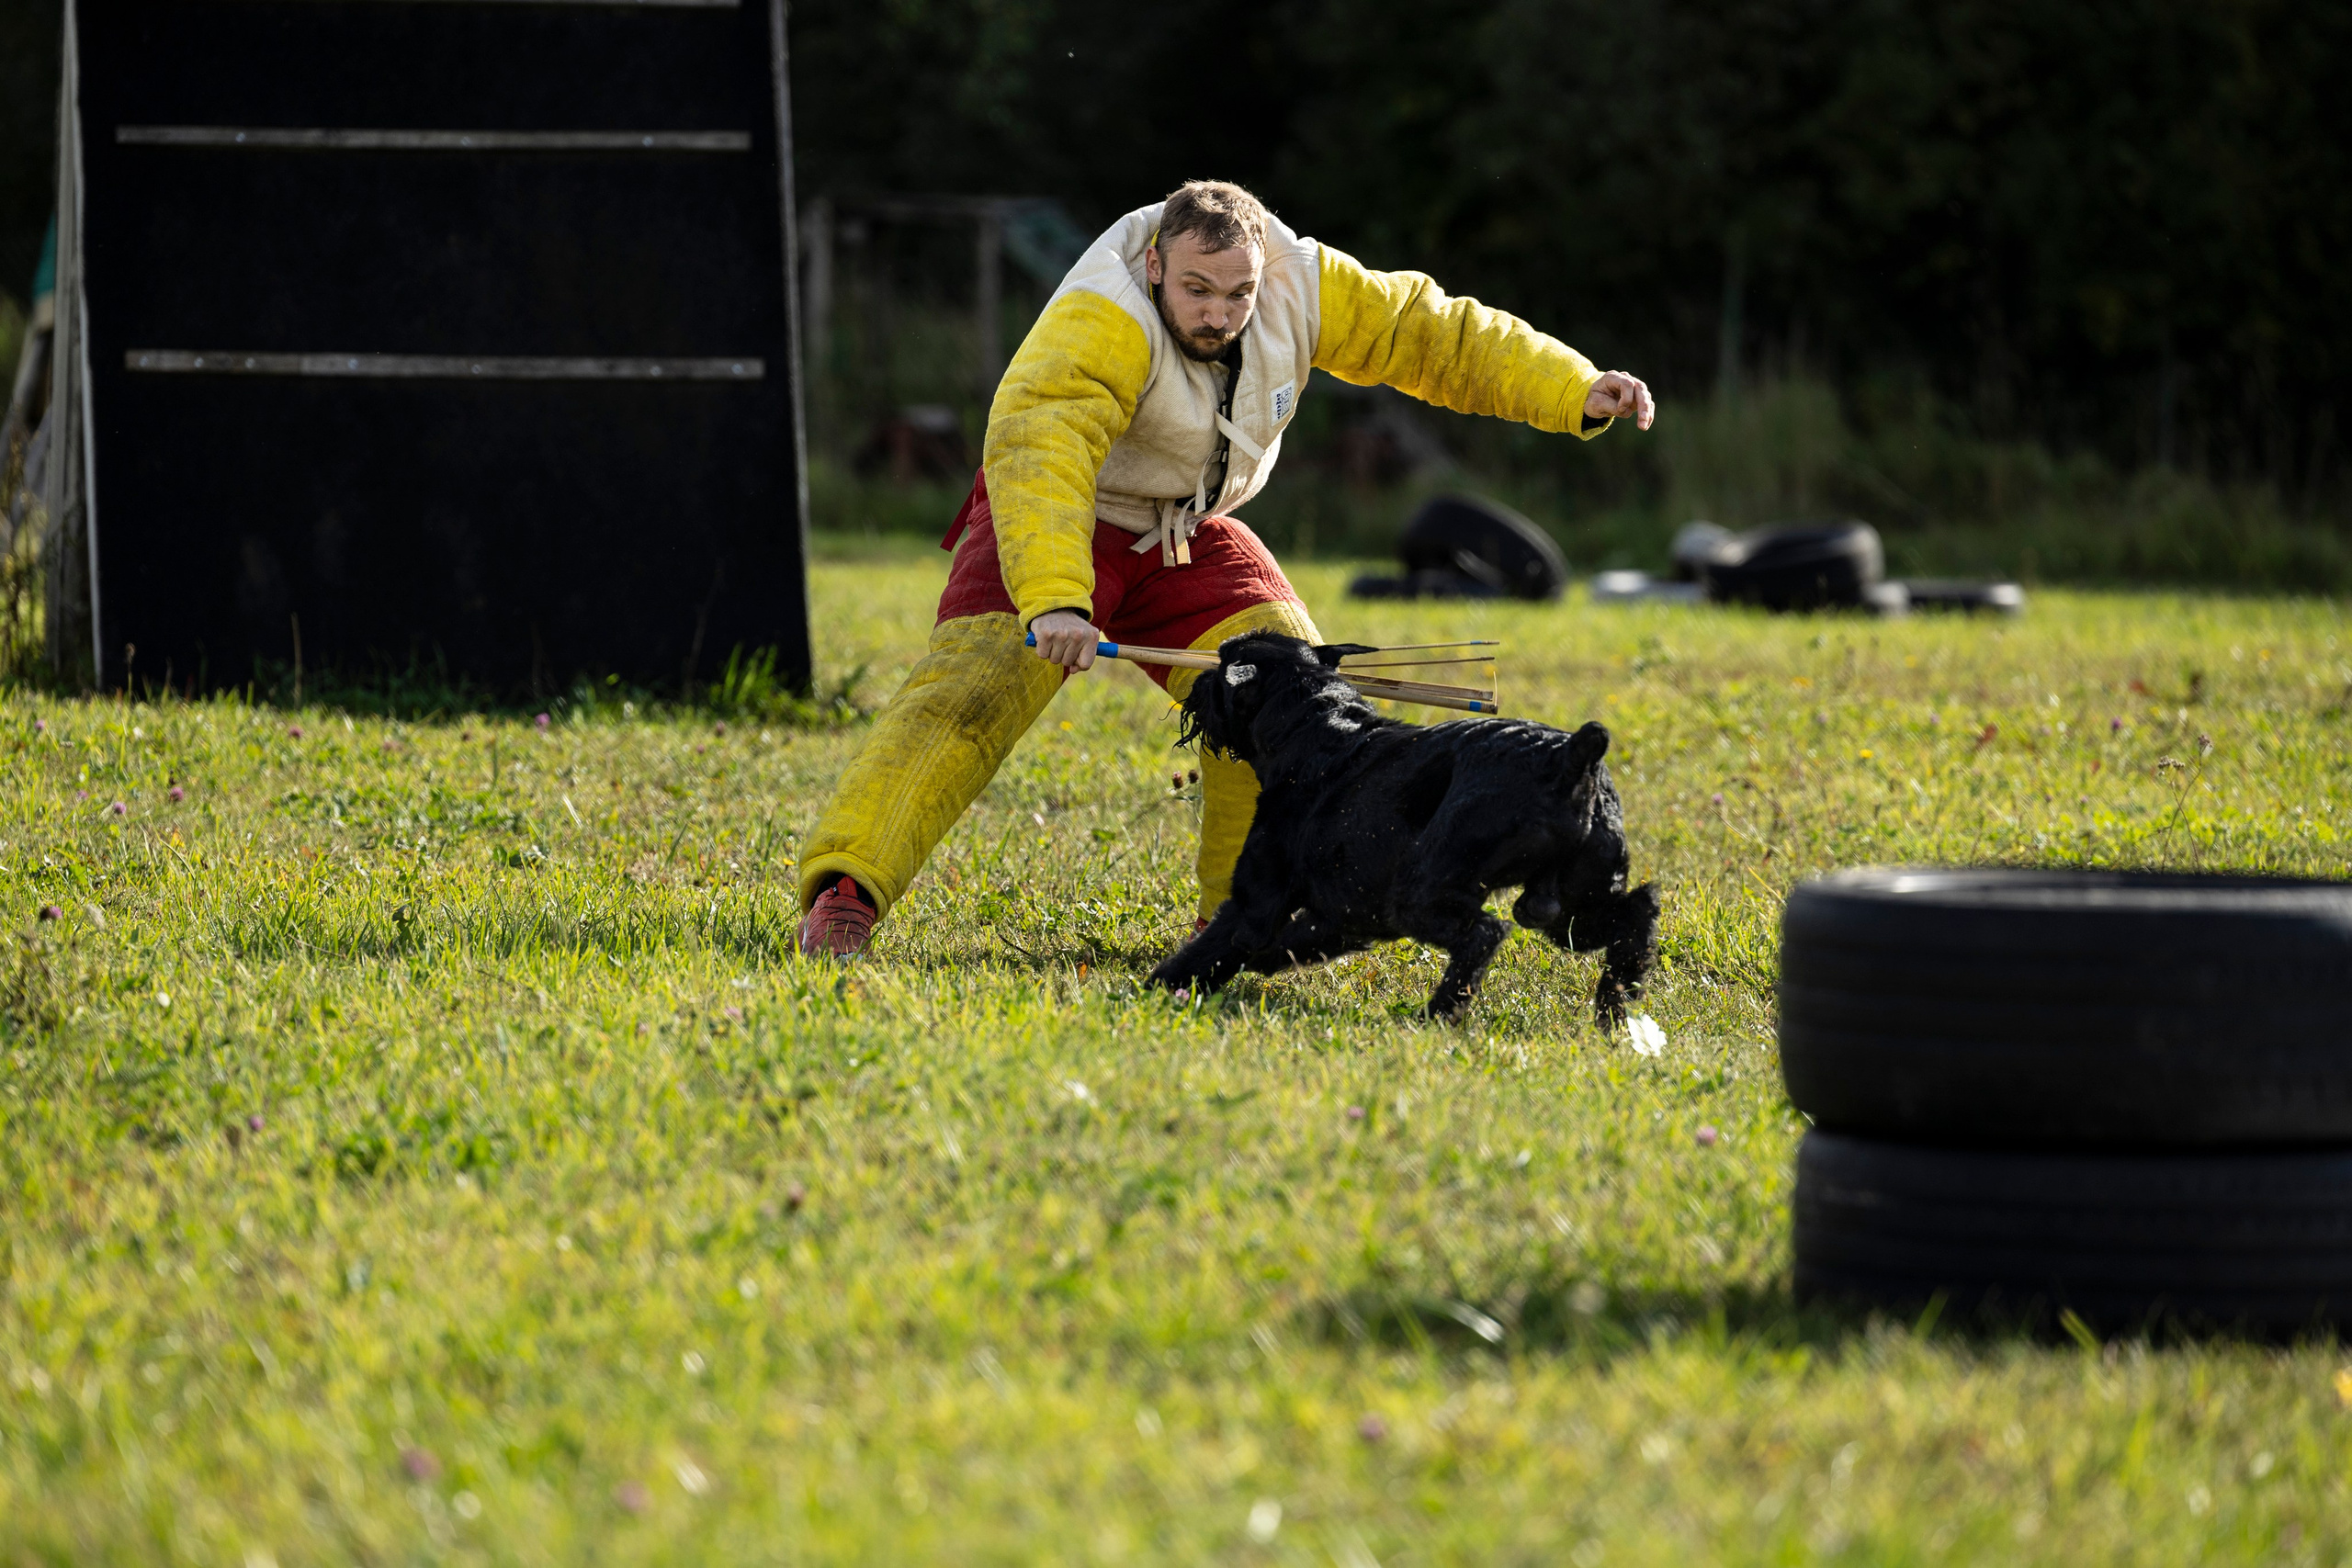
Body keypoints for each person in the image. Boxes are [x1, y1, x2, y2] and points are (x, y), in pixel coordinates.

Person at [797, 180, 1654, 957]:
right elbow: (1042, 445)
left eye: (1237, 293)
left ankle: (1239, 918)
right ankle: (847, 894)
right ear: (1158, 263)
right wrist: (1057, 599)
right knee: (970, 698)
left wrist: (1571, 387)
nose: (1218, 313)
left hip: (1188, 533)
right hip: (1059, 517)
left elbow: (1431, 334)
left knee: (1294, 709)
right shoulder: (1103, 313)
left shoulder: (1302, 282)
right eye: (1196, 292)